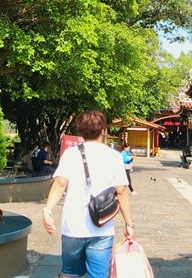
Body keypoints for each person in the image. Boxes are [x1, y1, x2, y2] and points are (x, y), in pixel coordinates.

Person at [42, 110, 135, 278]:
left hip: (73, 227)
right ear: (103, 130)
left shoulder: (70, 154)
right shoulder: (114, 156)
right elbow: (121, 191)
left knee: (70, 274)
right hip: (102, 228)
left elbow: (60, 183)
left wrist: (47, 211)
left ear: (80, 131)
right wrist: (129, 224)